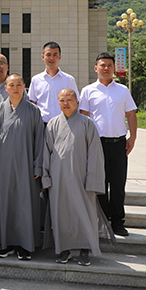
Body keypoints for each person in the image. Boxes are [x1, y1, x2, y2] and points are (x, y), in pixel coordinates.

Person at [43, 88, 107, 266]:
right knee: (61, 213)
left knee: (84, 212)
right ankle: (64, 249)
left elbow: (95, 155)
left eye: (69, 99)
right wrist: (46, 177)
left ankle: (85, 249)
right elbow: (46, 153)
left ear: (77, 101)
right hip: (59, 178)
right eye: (62, 100)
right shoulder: (53, 124)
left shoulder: (87, 123)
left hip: (81, 176)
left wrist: (92, 180)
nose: (66, 103)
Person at [79, 52, 138, 237]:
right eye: (102, 65)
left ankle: (118, 222)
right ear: (96, 68)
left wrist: (133, 138)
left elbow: (131, 114)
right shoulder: (88, 91)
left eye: (109, 65)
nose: (106, 68)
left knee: (118, 184)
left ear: (114, 68)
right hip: (97, 145)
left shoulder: (123, 90)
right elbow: (83, 117)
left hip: (119, 143)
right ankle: (102, 222)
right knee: (100, 185)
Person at [0, 74, 44, 260]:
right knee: (4, 204)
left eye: (19, 84)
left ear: (24, 86)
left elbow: (39, 141)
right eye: (12, 85)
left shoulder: (33, 111)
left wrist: (37, 167)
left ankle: (25, 245)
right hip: (3, 167)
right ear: (6, 88)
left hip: (26, 166)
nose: (16, 88)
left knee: (25, 205)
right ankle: (6, 244)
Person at [28, 42, 79, 125]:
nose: (51, 58)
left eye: (55, 55)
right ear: (43, 57)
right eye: (48, 54)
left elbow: (75, 103)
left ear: (60, 57)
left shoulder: (69, 80)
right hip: (41, 124)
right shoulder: (36, 80)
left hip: (64, 123)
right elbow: (32, 103)